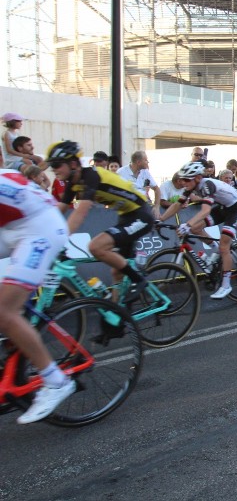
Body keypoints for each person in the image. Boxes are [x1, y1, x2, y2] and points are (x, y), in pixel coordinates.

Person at [0, 169, 76, 424]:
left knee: (4, 311)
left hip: (39, 231)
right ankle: (15, 340)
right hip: (12, 226)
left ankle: (56, 381)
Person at [48, 141, 155, 300]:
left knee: (96, 246)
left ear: (72, 163)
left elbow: (80, 213)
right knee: (116, 272)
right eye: (52, 165)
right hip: (126, 215)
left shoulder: (91, 175)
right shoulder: (73, 184)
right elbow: (57, 213)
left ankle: (138, 280)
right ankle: (118, 315)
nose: (53, 169)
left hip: (141, 214)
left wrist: (59, 239)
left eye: (56, 165)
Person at [159, 161, 237, 300]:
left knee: (224, 247)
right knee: (195, 229)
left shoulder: (207, 185)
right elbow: (177, 205)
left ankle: (226, 285)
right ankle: (217, 255)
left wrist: (187, 224)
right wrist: (161, 219)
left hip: (235, 209)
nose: (183, 183)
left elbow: (205, 211)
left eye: (186, 179)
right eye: (182, 179)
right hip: (222, 207)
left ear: (197, 178)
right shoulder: (191, 187)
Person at [117, 150, 161, 219]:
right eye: (146, 160)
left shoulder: (145, 172)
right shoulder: (121, 172)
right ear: (138, 162)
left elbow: (156, 189)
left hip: (143, 207)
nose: (148, 162)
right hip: (127, 209)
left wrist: (157, 206)